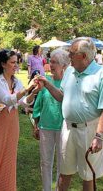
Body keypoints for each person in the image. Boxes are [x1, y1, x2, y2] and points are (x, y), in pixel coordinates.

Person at [37, 37, 103, 191]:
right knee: (64, 172)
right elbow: (61, 96)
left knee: (87, 175)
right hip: (67, 129)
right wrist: (47, 84)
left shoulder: (102, 74)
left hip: (89, 130)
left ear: (84, 56)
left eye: (72, 53)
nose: (68, 56)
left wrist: (99, 136)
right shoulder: (70, 71)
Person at [0, 49, 39, 191]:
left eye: (17, 62)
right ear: (3, 64)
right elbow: (7, 100)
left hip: (12, 124)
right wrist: (27, 88)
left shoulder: (16, 81)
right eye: (13, 63)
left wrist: (33, 92)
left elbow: (23, 102)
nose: (16, 66)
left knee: (9, 160)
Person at [30, 49, 70, 191]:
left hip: (63, 128)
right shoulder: (45, 80)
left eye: (54, 62)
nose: (50, 64)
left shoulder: (69, 83)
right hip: (45, 126)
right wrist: (36, 125)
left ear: (64, 65)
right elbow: (38, 104)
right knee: (45, 162)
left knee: (62, 163)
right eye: (50, 61)